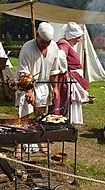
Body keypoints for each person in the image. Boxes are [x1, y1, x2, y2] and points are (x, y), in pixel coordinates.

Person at [8, 22, 60, 158]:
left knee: (41, 116)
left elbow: (54, 71)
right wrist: (28, 91)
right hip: (26, 85)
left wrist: (55, 87)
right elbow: (23, 73)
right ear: (37, 35)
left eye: (48, 42)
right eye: (43, 42)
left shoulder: (54, 47)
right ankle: (19, 145)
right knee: (23, 116)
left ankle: (41, 142)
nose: (46, 45)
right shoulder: (27, 48)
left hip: (43, 86)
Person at [52, 22, 89, 124]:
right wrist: (64, 70)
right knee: (69, 99)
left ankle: (70, 120)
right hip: (68, 78)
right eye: (77, 37)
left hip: (73, 77)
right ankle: (66, 120)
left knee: (73, 99)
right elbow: (60, 55)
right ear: (72, 36)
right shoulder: (63, 43)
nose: (78, 40)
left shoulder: (66, 44)